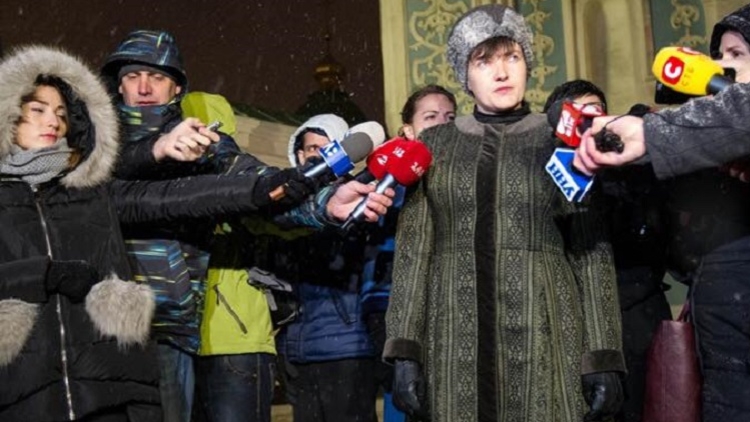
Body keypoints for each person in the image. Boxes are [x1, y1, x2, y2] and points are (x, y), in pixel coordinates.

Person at [99, 29, 394, 422]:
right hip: (100, 327)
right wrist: (156, 149)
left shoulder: (206, 144)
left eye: (157, 77)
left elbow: (259, 188)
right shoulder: (93, 142)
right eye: (133, 76)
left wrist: (324, 204)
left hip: (169, 325)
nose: (144, 87)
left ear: (177, 88)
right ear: (118, 85)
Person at [383, 5, 624, 422]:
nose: (501, 72)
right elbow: (413, 253)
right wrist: (405, 351)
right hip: (454, 341)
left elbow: (590, 252)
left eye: (512, 57)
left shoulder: (561, 141)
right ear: (465, 76)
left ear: (527, 63)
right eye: (484, 61)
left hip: (547, 334)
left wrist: (603, 357)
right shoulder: (434, 146)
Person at [545, 80, 672, 422]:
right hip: (572, 323)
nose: (591, 121)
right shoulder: (546, 173)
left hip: (638, 313)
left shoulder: (631, 168)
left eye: (597, 112)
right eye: (580, 114)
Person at [361, 84, 456, 422]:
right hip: (394, 312)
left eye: (450, 117)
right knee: (405, 404)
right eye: (430, 117)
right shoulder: (388, 179)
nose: (442, 124)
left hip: (453, 310)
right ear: (408, 130)